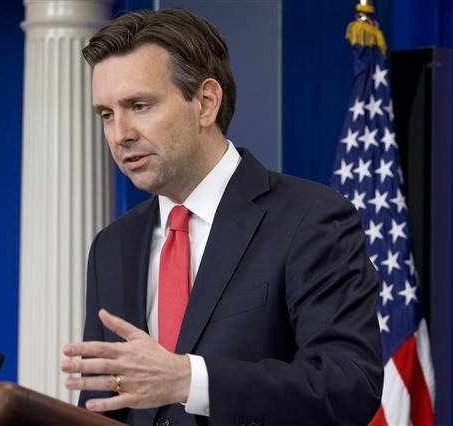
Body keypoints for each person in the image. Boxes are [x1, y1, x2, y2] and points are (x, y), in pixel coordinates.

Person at [60, 8, 383, 426]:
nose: (120, 134)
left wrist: (189, 380)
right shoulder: (112, 245)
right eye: (106, 114)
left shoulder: (310, 218)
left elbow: (347, 386)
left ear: (206, 103)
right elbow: (103, 406)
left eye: (139, 105)